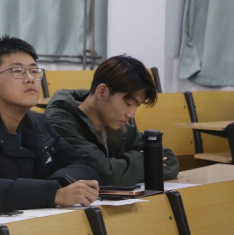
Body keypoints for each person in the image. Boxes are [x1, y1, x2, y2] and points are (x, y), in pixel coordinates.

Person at [0, 36, 100, 211]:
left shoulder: (38, 122)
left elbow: (82, 165)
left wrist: (58, 187)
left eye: (34, 71)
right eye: (17, 71)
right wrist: (52, 194)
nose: (30, 78)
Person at [45, 55, 179, 185]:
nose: (132, 114)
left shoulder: (116, 125)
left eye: (137, 106)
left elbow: (170, 160)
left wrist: (127, 168)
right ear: (101, 91)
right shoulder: (60, 122)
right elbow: (105, 175)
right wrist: (144, 160)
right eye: (128, 103)